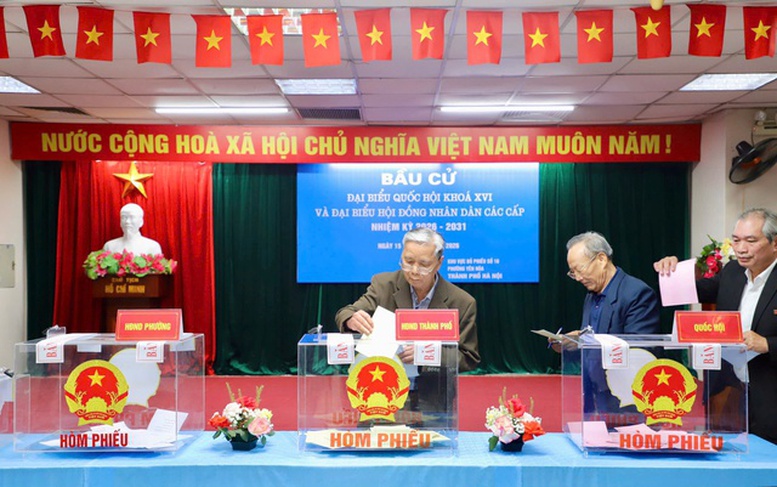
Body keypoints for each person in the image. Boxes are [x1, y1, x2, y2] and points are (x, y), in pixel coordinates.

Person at [654, 208, 777, 444]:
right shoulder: (732, 271)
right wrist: (671, 271)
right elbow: (695, 290)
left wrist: (767, 344)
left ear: (775, 244)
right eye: (736, 240)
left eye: (751, 241)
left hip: (769, 393)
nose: (741, 248)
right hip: (730, 393)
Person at [335, 227, 480, 373]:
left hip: (433, 383)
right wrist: (351, 319)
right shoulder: (383, 285)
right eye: (408, 261)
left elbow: (468, 358)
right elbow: (347, 312)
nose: (414, 271)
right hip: (385, 379)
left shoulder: (462, 302)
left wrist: (427, 355)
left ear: (439, 263)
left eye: (424, 264)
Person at [560, 231, 661, 415]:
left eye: (580, 270)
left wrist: (589, 340)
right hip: (595, 397)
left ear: (601, 259)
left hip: (626, 400)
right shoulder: (591, 296)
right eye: (573, 273)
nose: (578, 278)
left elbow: (639, 351)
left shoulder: (637, 293)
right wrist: (573, 344)